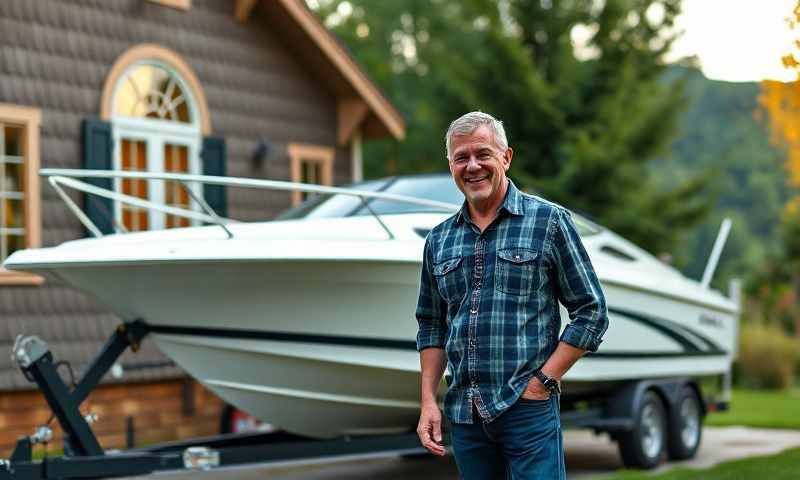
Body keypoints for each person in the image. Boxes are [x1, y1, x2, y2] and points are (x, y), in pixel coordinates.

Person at [414, 111, 609, 479]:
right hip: (465, 414)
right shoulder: (438, 240)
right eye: (461, 157)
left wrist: (543, 383)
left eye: (483, 154)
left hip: (528, 409)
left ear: (506, 157)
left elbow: (592, 312)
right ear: (451, 166)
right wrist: (428, 402)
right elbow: (431, 325)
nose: (473, 166)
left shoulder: (548, 222)